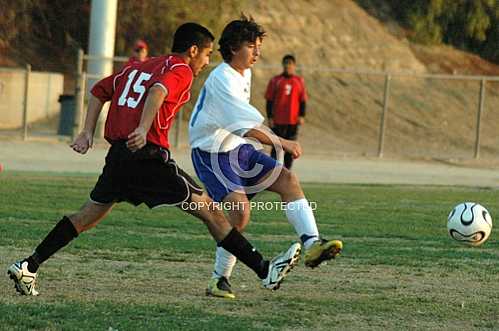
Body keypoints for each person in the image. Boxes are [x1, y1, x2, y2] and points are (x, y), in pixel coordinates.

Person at [7, 22, 301, 297]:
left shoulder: (139, 66)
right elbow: (158, 91)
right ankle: (265, 270)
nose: (207, 62)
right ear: (193, 50)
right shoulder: (181, 68)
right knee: (211, 212)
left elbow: (98, 91)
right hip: (147, 158)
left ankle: (28, 266)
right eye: (207, 54)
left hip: (119, 158)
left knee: (86, 216)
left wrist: (86, 132)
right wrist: (143, 128)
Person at [188, 16, 343, 300]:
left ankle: (312, 245)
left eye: (259, 46)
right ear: (234, 47)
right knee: (239, 214)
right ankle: (219, 279)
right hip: (211, 152)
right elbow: (247, 126)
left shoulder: (243, 73)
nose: (258, 52)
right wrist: (283, 142)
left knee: (288, 179)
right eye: (251, 46)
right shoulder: (222, 78)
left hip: (236, 147)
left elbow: (245, 128)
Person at [265, 54, 308, 169]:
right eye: (286, 63)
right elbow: (269, 100)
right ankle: (273, 171)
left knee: (290, 148)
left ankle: (286, 172)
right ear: (282, 65)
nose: (288, 66)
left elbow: (303, 100)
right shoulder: (275, 81)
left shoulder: (299, 81)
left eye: (290, 64)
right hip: (278, 120)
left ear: (294, 66)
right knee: (276, 146)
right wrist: (270, 117)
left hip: (292, 121)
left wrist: (302, 115)